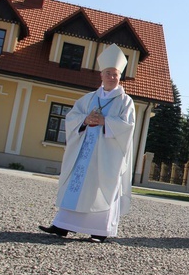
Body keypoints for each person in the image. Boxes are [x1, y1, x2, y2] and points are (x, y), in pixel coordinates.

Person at [39, 44, 135, 243]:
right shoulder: (88, 98)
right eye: (108, 73)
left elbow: (128, 127)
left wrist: (104, 121)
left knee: (100, 189)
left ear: (119, 77)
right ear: (101, 75)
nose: (112, 77)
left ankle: (99, 231)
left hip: (106, 156)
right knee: (76, 185)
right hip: (83, 153)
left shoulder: (125, 102)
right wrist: (85, 120)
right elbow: (71, 117)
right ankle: (62, 226)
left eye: (115, 74)